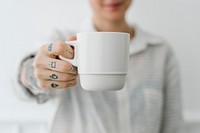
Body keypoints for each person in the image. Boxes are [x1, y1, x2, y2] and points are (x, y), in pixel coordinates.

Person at [14, 0, 184, 133]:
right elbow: (26, 79)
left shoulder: (160, 52)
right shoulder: (64, 41)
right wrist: (34, 74)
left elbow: (173, 127)